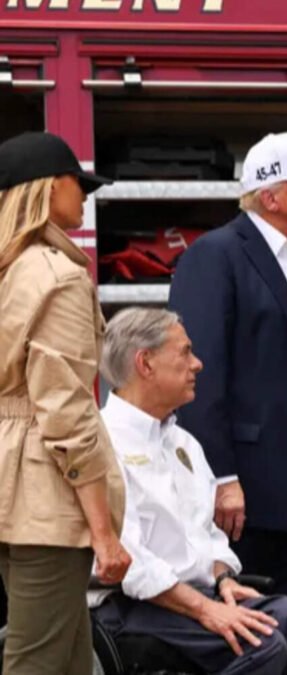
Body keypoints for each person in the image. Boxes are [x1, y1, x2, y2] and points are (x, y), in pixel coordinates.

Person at [168, 131, 287, 603]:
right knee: (246, 629)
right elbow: (196, 377)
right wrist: (219, 477)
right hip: (247, 494)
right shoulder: (215, 257)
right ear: (271, 197)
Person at [93, 307, 287, 674]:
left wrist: (223, 579)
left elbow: (208, 534)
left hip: (197, 594)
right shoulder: (102, 443)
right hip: (134, 606)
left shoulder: (183, 442)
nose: (198, 364)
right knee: (261, 646)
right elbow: (129, 562)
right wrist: (207, 610)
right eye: (185, 352)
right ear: (145, 364)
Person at [0, 131, 131, 673]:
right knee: (36, 662)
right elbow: (68, 414)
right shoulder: (57, 277)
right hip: (46, 500)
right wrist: (104, 534)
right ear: (52, 188)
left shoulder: (8, 271)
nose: (85, 196)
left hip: (10, 490)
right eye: (80, 184)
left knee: (71, 657)